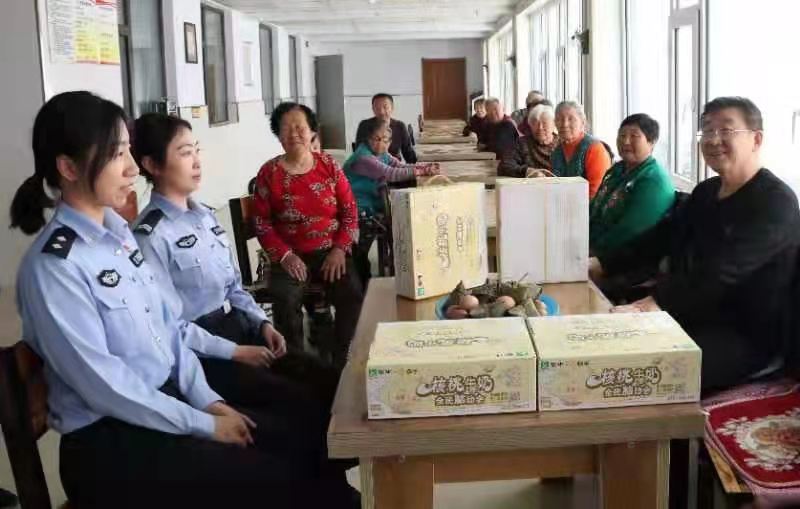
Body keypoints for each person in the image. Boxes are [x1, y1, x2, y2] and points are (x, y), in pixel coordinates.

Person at [10, 91, 359, 508]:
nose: (131, 167)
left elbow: (169, 331)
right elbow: (106, 387)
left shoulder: (119, 240)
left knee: (305, 443)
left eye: (128, 150)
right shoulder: (54, 268)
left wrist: (209, 402)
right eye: (116, 154)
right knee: (288, 478)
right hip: (110, 445)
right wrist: (204, 424)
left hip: (164, 403)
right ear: (68, 168)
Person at [589, 97, 800, 393]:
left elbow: (723, 271)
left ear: (756, 139)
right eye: (707, 130)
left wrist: (656, 303)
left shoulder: (776, 202)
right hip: (694, 309)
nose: (713, 139)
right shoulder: (706, 192)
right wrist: (601, 264)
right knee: (601, 336)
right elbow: (660, 237)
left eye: (726, 130)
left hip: (744, 333)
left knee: (639, 373)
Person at [131, 113, 340, 410]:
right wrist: (236, 352)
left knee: (329, 382)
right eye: (185, 153)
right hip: (204, 353)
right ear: (152, 165)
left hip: (242, 327)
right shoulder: (150, 236)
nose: (197, 162)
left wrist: (262, 323)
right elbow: (168, 327)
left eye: (196, 150)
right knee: (302, 404)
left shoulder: (204, 216)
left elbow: (234, 288)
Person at [254, 102, 363, 370]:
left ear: (312, 131)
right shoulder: (269, 173)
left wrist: (339, 249)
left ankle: (341, 363)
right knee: (285, 299)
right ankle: (297, 368)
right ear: (278, 135)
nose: (294, 133)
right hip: (290, 255)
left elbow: (350, 212)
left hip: (330, 251)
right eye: (286, 128)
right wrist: (285, 256)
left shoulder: (329, 165)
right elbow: (261, 223)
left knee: (352, 294)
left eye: (300, 127)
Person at [344, 120, 439, 286]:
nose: (381, 143)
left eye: (385, 139)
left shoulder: (382, 153)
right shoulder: (364, 158)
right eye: (376, 139)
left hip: (372, 202)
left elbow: (400, 166)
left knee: (401, 221)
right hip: (358, 209)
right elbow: (391, 173)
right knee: (359, 252)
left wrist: (425, 167)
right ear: (368, 139)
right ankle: (366, 279)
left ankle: (397, 260)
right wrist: (422, 171)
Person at [589, 114, 675, 259]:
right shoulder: (617, 169)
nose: (626, 141)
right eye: (622, 135)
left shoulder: (653, 180)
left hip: (619, 258)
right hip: (590, 244)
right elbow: (594, 209)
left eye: (634, 136)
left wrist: (591, 252)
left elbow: (630, 232)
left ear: (652, 142)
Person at [552, 101, 613, 197]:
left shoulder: (594, 149)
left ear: (583, 122)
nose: (565, 124)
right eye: (559, 119)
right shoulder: (557, 151)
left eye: (571, 119)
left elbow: (597, 193)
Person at [498, 103, 559, 177]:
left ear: (554, 124)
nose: (540, 127)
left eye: (545, 123)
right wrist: (526, 171)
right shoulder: (522, 143)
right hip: (530, 183)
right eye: (535, 123)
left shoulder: (562, 144)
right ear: (530, 125)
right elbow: (504, 166)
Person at [355, 93, 417, 163]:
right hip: (371, 166)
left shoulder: (400, 126)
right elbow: (359, 153)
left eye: (385, 107)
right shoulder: (364, 125)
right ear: (373, 109)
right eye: (377, 108)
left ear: (392, 108)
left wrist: (417, 167)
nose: (381, 112)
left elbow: (409, 154)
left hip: (395, 166)